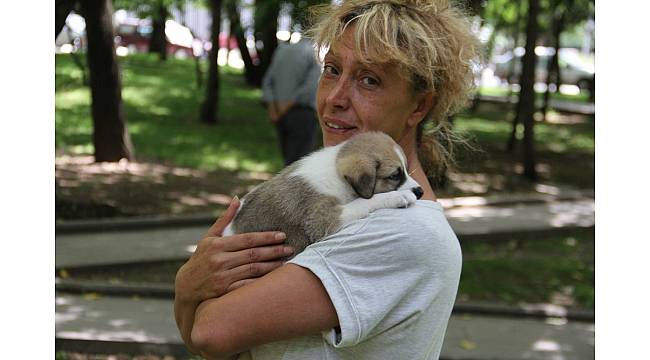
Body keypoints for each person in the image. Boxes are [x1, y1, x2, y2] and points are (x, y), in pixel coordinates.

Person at [174, 0, 480, 358]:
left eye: (370, 80)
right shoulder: (348, 206)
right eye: (332, 69)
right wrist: (190, 289)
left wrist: (187, 287)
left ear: (418, 107)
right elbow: (201, 341)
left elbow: (211, 331)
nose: (334, 97)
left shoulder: (403, 232)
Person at [262, 35, 321, 166]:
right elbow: (310, 86)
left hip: (279, 115)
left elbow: (267, 81)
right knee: (297, 166)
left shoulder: (281, 50)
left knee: (289, 161)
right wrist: (287, 106)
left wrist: (273, 108)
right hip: (301, 115)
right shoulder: (313, 54)